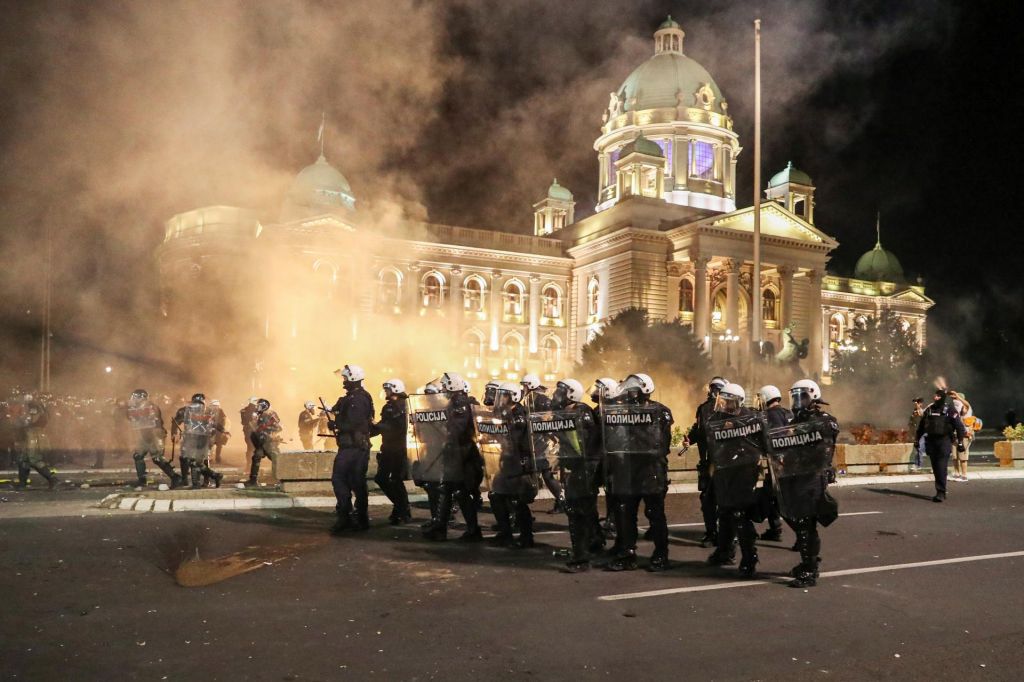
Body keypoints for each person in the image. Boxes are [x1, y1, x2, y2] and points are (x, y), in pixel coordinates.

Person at [604, 373, 674, 572]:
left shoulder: (660, 411)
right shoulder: (621, 412)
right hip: (628, 470)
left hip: (651, 470)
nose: (630, 395)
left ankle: (661, 555)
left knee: (655, 514)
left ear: (644, 391)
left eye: (633, 391)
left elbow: (664, 444)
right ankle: (627, 554)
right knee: (626, 512)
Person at [781, 379, 840, 588]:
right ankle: (811, 559)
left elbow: (822, 446)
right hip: (794, 477)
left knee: (806, 524)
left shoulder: (824, 420)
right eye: (795, 397)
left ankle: (809, 569)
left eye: (802, 396)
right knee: (790, 514)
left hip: (812, 478)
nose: (797, 401)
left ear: (813, 396)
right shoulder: (795, 420)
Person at [704, 383, 766, 578]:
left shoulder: (751, 419)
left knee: (740, 514)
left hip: (744, 472)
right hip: (724, 471)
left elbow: (763, 443)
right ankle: (724, 551)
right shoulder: (717, 418)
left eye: (728, 402)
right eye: (722, 401)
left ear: (738, 402)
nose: (724, 405)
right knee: (724, 511)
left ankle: (749, 558)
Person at [549, 379, 600, 572]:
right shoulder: (569, 412)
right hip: (579, 467)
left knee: (578, 511)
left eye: (560, 392)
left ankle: (581, 559)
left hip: (584, 467)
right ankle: (594, 543)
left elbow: (585, 444)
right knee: (585, 509)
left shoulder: (580, 413)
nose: (555, 395)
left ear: (571, 394)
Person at [423, 372, 481, 541]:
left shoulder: (461, 404)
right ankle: (443, 528)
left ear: (452, 386)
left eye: (445, 386)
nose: (442, 389)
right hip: (455, 453)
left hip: (463, 454)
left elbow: (457, 429)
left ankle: (470, 530)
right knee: (449, 490)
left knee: (460, 492)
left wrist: (440, 427)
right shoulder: (454, 403)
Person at [489, 382, 537, 548]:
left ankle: (526, 537)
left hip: (519, 462)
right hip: (509, 461)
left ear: (513, 396)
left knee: (518, 500)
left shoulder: (518, 415)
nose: (501, 398)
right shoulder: (507, 413)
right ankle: (505, 533)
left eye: (504, 394)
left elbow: (512, 439)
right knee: (496, 495)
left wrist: (496, 435)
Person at [328, 365, 375, 534]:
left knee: (340, 479)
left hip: (353, 447)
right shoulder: (357, 397)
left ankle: (346, 516)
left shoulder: (357, 399)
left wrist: (336, 424)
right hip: (354, 446)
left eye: (346, 378)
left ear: (353, 378)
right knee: (356, 482)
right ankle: (358, 518)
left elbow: (355, 422)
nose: (344, 381)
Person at [688, 377, 728, 548]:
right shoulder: (703, 409)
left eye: (717, 389)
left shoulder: (732, 409)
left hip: (726, 463)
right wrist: (689, 439)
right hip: (708, 461)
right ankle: (712, 533)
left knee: (727, 500)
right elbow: (698, 431)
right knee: (707, 500)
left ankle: (728, 534)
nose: (714, 393)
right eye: (713, 389)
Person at [370, 379, 411, 525]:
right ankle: (401, 507)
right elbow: (382, 427)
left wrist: (377, 425)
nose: (386, 392)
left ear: (395, 389)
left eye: (388, 389)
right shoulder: (390, 406)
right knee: (383, 479)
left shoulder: (403, 407)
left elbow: (397, 428)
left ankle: (401, 509)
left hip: (399, 449)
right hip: (388, 448)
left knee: (395, 480)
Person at [522, 373, 564, 513]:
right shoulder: (531, 398)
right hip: (537, 440)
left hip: (543, 441)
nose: (523, 388)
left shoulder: (542, 400)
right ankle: (561, 501)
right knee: (544, 473)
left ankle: (562, 501)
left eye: (525, 385)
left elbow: (547, 420)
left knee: (546, 473)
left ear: (531, 385)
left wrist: (548, 435)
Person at [916, 388, 966, 503]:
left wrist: (960, 442)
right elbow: (922, 426)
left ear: (943, 397)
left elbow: (959, 427)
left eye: (938, 396)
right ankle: (940, 488)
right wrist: (917, 440)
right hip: (932, 441)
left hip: (944, 441)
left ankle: (941, 492)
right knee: (935, 467)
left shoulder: (949, 409)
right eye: (935, 395)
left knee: (941, 466)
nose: (936, 398)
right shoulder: (929, 409)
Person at [756, 385, 791, 542]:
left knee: (776, 499)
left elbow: (777, 439)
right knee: (772, 497)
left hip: (778, 463)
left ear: (765, 398)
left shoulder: (771, 415)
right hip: (790, 462)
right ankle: (775, 529)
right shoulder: (787, 412)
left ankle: (802, 536)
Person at [126, 388, 181, 489]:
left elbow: (156, 422)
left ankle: (175, 477)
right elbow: (130, 418)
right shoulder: (135, 407)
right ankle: (142, 480)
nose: (133, 400)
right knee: (138, 456)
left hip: (155, 433)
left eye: (135, 397)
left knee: (157, 458)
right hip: (143, 433)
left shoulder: (152, 407)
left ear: (142, 398)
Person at [589, 377, 619, 545]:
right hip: (599, 457)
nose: (594, 392)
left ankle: (613, 523)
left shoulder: (614, 410)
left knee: (613, 492)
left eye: (598, 389)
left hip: (611, 458)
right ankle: (607, 522)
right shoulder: (598, 409)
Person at [172, 393, 224, 489]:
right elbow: (216, 424)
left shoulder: (185, 410)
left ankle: (199, 482)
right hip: (203, 439)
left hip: (191, 438)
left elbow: (175, 422)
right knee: (196, 462)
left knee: (193, 461)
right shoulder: (209, 410)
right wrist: (223, 431)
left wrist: (174, 433)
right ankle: (212, 477)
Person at [13, 393, 58, 490]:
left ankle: (52, 479)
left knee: (34, 459)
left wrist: (20, 421)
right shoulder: (32, 407)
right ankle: (22, 484)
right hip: (28, 436)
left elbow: (31, 421)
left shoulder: (35, 408)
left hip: (33, 436)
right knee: (23, 460)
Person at [247, 398, 281, 486]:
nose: (257, 407)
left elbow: (279, 428)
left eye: (259, 406)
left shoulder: (271, 414)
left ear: (264, 406)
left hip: (269, 442)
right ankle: (253, 480)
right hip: (261, 442)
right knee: (256, 457)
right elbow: (255, 427)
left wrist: (267, 430)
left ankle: (280, 479)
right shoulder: (259, 414)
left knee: (276, 459)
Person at [950, 392, 979, 482]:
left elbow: (967, 404)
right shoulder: (956, 411)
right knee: (955, 456)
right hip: (955, 435)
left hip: (965, 436)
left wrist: (958, 396)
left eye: (957, 400)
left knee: (963, 457)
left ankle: (964, 475)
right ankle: (957, 473)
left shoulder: (967, 409)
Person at [208, 399, 229, 464]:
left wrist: (223, 430)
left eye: (216, 405)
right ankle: (209, 458)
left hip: (218, 431)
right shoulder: (208, 412)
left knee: (219, 445)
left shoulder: (221, 412)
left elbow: (224, 421)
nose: (215, 407)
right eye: (214, 405)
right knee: (210, 445)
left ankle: (217, 457)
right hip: (211, 431)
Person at [240, 397, 259, 464]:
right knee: (254, 448)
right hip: (255, 431)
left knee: (250, 447)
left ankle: (249, 463)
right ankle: (253, 463)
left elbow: (243, 422)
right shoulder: (257, 410)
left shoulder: (244, 410)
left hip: (247, 431)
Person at [908, 398, 926, 470]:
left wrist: (917, 406)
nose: (916, 404)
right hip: (917, 433)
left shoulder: (923, 411)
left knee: (920, 448)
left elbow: (921, 413)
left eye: (918, 403)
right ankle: (917, 464)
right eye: (916, 402)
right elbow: (911, 423)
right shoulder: (914, 412)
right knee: (918, 449)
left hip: (922, 432)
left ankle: (918, 465)